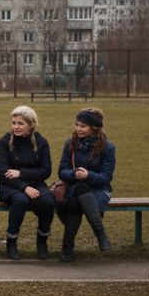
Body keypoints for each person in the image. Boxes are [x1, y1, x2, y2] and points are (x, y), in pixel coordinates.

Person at [57, 108, 116, 261]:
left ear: (94, 128)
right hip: (73, 186)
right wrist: (74, 174)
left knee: (76, 202)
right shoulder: (70, 144)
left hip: (97, 189)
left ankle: (67, 248)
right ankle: (100, 234)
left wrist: (88, 175)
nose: (78, 129)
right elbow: (62, 171)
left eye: (83, 126)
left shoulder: (107, 147)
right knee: (79, 189)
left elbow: (106, 177)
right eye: (77, 125)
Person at [0, 105, 54, 260]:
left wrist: (22, 173)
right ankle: (11, 242)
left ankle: (42, 240)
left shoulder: (41, 142)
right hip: (10, 186)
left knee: (48, 201)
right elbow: (3, 171)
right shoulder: (4, 142)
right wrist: (24, 186)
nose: (16, 126)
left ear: (31, 125)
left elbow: (46, 170)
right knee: (20, 200)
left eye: (20, 123)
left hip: (36, 184)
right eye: (14, 123)